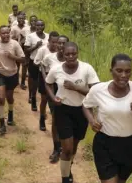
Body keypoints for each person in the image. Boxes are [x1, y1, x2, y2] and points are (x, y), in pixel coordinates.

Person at [82, 54, 132, 183]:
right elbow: (86, 105)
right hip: (104, 143)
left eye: (128, 71)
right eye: (119, 70)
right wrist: (92, 121)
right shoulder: (99, 90)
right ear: (111, 71)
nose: (123, 75)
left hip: (129, 145)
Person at [45, 42, 100, 183]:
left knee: (74, 146)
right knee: (67, 149)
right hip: (63, 109)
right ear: (63, 54)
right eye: (67, 54)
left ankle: (68, 169)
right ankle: (65, 178)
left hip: (82, 110)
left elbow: (96, 91)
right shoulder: (56, 69)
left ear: (77, 53)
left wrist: (76, 87)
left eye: (73, 54)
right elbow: (48, 83)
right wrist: (53, 97)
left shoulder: (86, 69)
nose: (70, 56)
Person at [0, 25, 25, 136]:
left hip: (12, 74)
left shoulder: (15, 44)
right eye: (3, 33)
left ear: (10, 33)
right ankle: (1, 124)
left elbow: (23, 59)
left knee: (9, 97)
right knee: (1, 98)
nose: (5, 35)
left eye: (7, 33)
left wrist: (12, 57)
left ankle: (10, 114)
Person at [42, 35, 69, 163]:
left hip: (68, 94)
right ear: (56, 44)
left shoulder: (71, 59)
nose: (61, 46)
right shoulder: (50, 58)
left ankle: (66, 147)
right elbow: (42, 66)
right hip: (53, 91)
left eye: (64, 43)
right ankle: (56, 148)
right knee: (55, 120)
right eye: (59, 43)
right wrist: (46, 79)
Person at [34, 31, 59, 131]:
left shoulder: (60, 51)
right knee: (44, 99)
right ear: (48, 41)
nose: (55, 44)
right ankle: (42, 118)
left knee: (55, 100)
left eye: (57, 42)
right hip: (44, 76)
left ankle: (55, 122)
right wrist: (43, 65)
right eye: (53, 42)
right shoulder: (42, 50)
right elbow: (36, 63)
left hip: (57, 78)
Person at [24, 20, 49, 111]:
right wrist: (36, 46)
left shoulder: (48, 36)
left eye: (42, 25)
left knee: (43, 82)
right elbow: (26, 50)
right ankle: (33, 97)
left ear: (44, 26)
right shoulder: (31, 36)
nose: (39, 27)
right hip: (34, 61)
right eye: (38, 25)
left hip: (45, 63)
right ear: (35, 26)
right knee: (33, 81)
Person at [10, 12, 27, 90]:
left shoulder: (27, 28)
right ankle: (16, 81)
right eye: (19, 18)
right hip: (17, 49)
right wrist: (15, 40)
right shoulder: (14, 28)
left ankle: (23, 82)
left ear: (24, 19)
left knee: (24, 66)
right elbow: (10, 38)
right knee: (17, 65)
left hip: (25, 49)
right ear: (17, 19)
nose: (21, 20)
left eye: (22, 18)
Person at [20, 15, 37, 91]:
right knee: (24, 66)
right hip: (26, 51)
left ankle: (35, 84)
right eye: (32, 21)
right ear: (29, 21)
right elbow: (21, 38)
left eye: (35, 21)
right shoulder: (25, 29)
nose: (33, 22)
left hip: (35, 52)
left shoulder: (39, 30)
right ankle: (22, 82)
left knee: (34, 69)